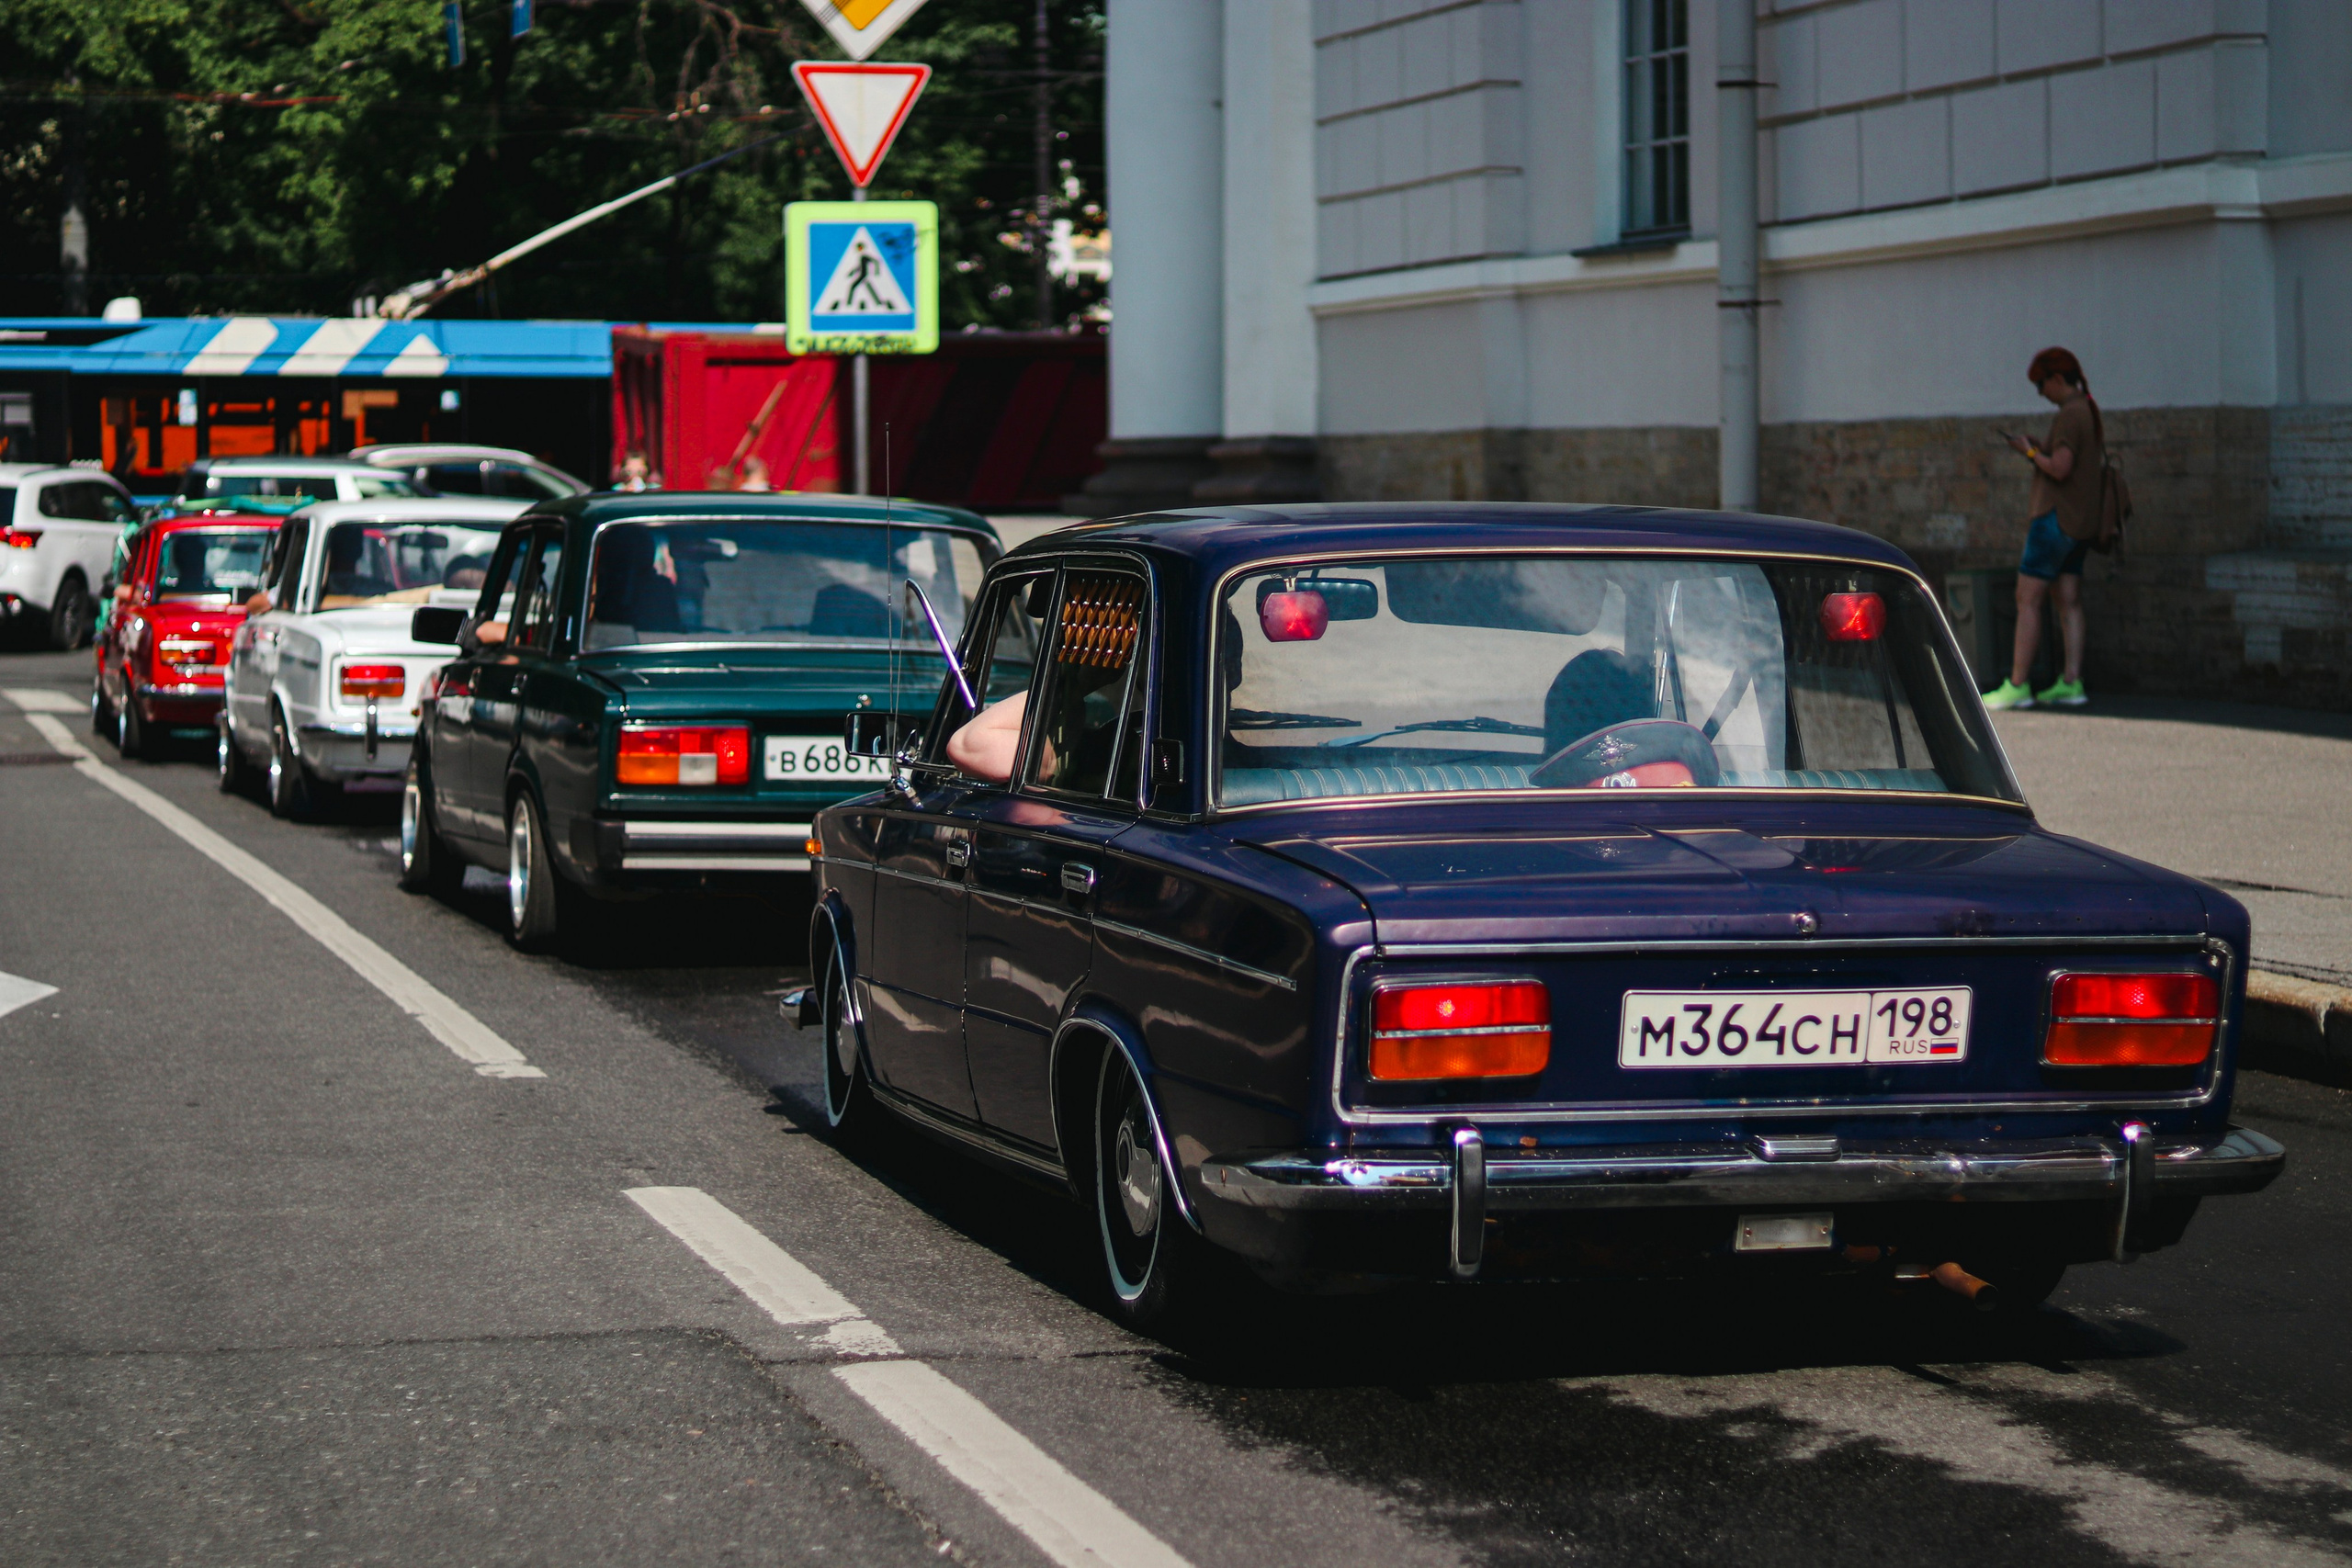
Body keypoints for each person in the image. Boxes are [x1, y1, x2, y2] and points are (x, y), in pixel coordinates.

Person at [1984, 346, 2103, 709]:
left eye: (2040, 385)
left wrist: (2030, 453)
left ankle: (2017, 685)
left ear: (2056, 379)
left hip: (2054, 519)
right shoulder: (2088, 409)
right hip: (2080, 523)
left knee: (2027, 599)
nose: (2041, 393)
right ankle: (2071, 682)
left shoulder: (2070, 414)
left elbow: (2061, 467)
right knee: (2068, 601)